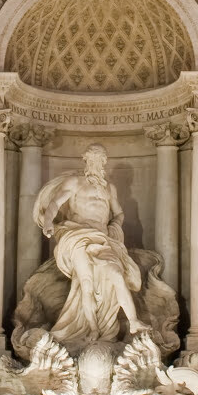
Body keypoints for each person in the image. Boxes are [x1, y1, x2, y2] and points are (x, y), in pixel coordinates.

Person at [32, 144, 144, 346]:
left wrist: (114, 227)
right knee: (87, 283)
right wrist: (48, 222)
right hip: (77, 236)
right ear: (86, 161)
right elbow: (55, 204)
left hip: (102, 238)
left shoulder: (110, 189)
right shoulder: (74, 182)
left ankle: (134, 321)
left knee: (117, 274)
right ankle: (92, 328)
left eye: (100, 159)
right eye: (93, 159)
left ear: (104, 163)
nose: (96, 163)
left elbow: (118, 213)